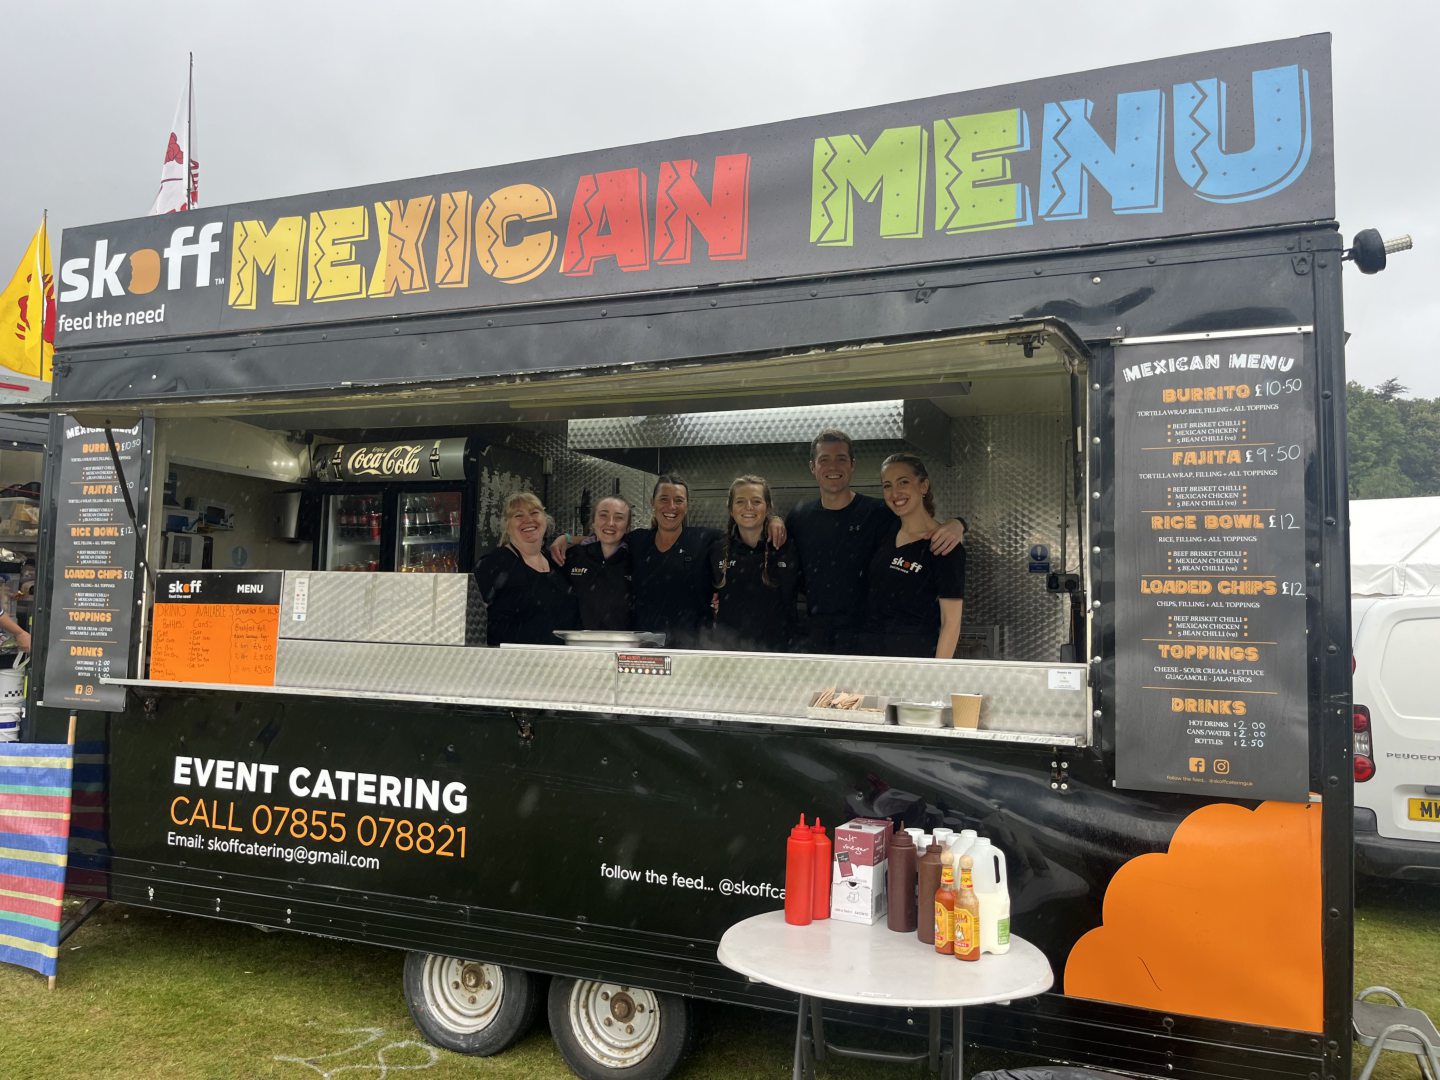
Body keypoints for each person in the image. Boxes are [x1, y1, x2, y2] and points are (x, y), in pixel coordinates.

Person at [552, 475, 786, 649]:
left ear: (687, 505)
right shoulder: (638, 541)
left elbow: (746, 530)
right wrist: (568, 538)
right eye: (664, 499)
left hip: (693, 647)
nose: (671, 507)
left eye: (678, 500)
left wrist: (772, 520)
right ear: (653, 503)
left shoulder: (705, 538)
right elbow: (608, 534)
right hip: (644, 647)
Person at [786, 430, 964, 654]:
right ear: (813, 467)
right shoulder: (798, 517)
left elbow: (920, 522)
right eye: (824, 460)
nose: (833, 467)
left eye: (841, 459)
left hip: (868, 642)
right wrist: (772, 519)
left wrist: (957, 524)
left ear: (852, 465)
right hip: (818, 638)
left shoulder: (880, 513)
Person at [864, 453, 965, 659]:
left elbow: (951, 623)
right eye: (887, 485)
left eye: (903, 482)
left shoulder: (944, 545)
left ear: (923, 486)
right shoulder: (884, 532)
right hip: (875, 659)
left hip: (916, 662)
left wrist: (936, 675)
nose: (895, 493)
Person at [472, 492, 579, 646]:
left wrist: (567, 538)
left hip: (558, 662)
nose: (528, 520)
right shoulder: (495, 563)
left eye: (534, 513)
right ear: (507, 526)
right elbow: (469, 617)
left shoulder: (556, 561)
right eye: (518, 516)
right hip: (511, 664)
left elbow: (600, 539)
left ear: (545, 520)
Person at [709, 476, 799, 652]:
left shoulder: (787, 548)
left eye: (756, 501)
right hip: (729, 653)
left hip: (779, 654)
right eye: (740, 501)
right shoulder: (716, 550)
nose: (748, 507)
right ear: (730, 509)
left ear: (768, 507)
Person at [564, 495, 633, 631]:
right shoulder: (573, 557)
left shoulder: (636, 560)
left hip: (623, 647)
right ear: (593, 522)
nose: (610, 523)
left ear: (627, 526)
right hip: (579, 646)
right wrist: (565, 539)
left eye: (619, 517)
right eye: (603, 515)